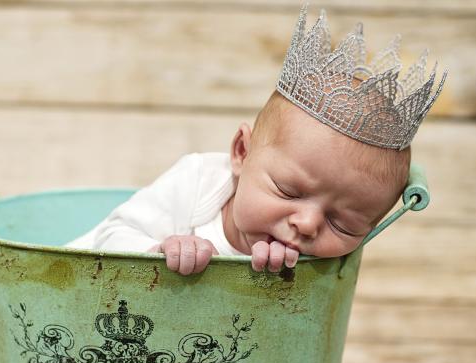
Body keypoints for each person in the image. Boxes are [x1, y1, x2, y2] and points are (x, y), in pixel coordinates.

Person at [66, 6, 446, 276]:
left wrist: (278, 285)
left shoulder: (319, 262)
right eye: (288, 191)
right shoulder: (198, 181)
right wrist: (162, 250)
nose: (307, 224)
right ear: (242, 152)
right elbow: (110, 237)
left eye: (343, 224)